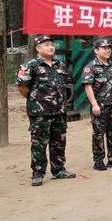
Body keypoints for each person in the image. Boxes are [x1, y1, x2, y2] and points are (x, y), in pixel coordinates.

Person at [15, 35, 76, 186]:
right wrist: (34, 100)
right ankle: (38, 173)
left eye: (52, 45)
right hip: (40, 112)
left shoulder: (60, 65)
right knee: (39, 144)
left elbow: (65, 85)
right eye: (46, 45)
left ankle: (59, 169)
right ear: (38, 48)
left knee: (59, 142)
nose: (51, 47)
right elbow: (22, 87)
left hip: (59, 111)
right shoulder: (31, 65)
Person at [83, 37, 112, 171]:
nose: (108, 50)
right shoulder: (91, 67)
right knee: (98, 134)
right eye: (104, 48)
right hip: (100, 106)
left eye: (109, 48)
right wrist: (94, 104)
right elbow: (88, 87)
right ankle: (98, 160)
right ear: (96, 50)